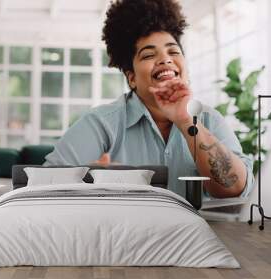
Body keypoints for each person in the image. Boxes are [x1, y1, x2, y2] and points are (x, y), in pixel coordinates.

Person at [44, 0, 254, 199]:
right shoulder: (101, 124)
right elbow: (43, 186)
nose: (165, 58)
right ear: (132, 78)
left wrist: (184, 119)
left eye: (173, 51)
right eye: (148, 55)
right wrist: (88, 185)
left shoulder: (209, 120)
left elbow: (233, 188)